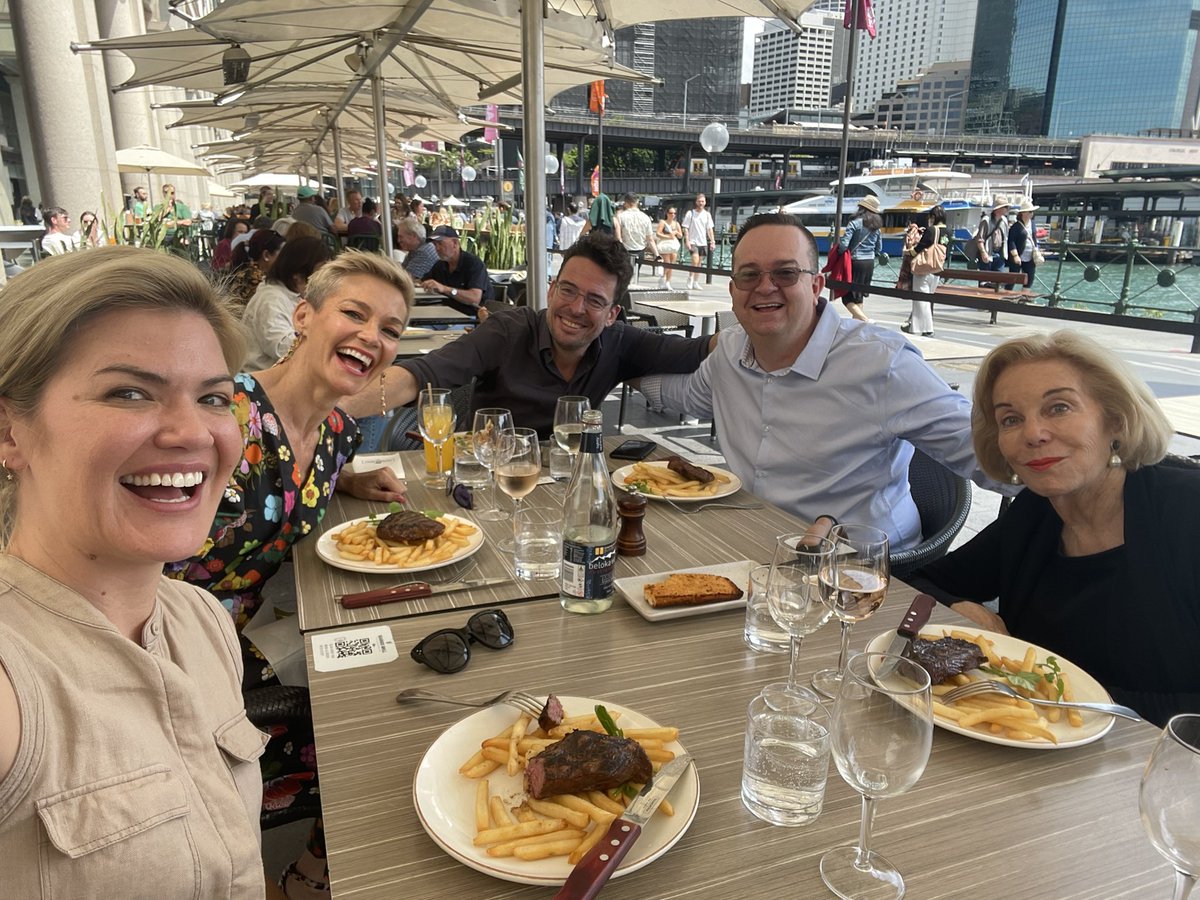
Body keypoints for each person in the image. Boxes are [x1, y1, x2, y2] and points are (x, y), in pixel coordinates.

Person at [0, 246, 268, 896]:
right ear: (9, 432)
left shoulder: (203, 621)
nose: (191, 432)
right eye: (129, 392)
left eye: (212, 398)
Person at [168, 251, 409, 896]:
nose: (372, 337)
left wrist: (350, 480)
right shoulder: (225, 417)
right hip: (166, 644)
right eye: (353, 313)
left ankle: (308, 876)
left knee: (390, 676)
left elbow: (293, 488)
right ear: (303, 316)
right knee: (368, 716)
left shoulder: (336, 433)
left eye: (389, 330)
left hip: (248, 633)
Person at [639, 213, 1005, 552]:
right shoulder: (731, 351)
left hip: (863, 570)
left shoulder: (882, 363)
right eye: (749, 275)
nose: (765, 287)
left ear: (816, 285)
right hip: (754, 545)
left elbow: (987, 452)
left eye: (784, 273)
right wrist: (615, 360)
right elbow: (683, 396)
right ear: (733, 291)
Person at [910, 331, 1197, 726]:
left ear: (1114, 419)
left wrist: (1074, 703)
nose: (1033, 434)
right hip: (1041, 752)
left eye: (1059, 408)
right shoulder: (1039, 511)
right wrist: (959, 607)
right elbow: (922, 582)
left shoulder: (1186, 512)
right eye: (1011, 419)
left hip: (1162, 765)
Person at [346, 231, 716, 438]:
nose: (575, 308)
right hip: (493, 484)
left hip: (571, 490)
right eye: (568, 290)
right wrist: (328, 411)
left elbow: (700, 350)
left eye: (594, 300)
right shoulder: (509, 331)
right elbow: (419, 376)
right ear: (552, 290)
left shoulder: (619, 342)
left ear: (612, 314)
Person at [242, 237, 332, 371]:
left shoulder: (294, 295)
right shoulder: (271, 300)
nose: (323, 281)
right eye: (319, 274)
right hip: (261, 381)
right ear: (297, 275)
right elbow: (282, 348)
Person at [421, 225, 493, 316]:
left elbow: (474, 298)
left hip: (471, 317)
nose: (437, 248)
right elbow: (423, 281)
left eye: (440, 243)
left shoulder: (473, 264)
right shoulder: (440, 265)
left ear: (455, 243)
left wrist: (445, 289)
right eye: (435, 245)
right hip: (445, 314)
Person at [901, 204, 947, 337]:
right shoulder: (948, 231)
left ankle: (925, 329)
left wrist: (908, 251)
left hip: (923, 269)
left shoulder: (932, 230)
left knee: (921, 301)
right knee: (927, 300)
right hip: (937, 270)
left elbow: (919, 249)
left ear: (934, 217)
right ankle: (918, 327)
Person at [837, 196, 882, 323]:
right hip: (869, 262)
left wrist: (839, 253)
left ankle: (864, 320)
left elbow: (844, 244)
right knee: (859, 296)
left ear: (861, 208)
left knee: (847, 297)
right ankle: (857, 325)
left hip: (855, 261)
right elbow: (879, 248)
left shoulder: (854, 223)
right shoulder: (876, 227)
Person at [228, 228, 285, 307]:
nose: (286, 259)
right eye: (283, 254)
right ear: (266, 255)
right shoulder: (257, 281)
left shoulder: (247, 272)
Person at [613, 193, 653, 277]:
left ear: (625, 202)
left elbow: (618, 237)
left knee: (623, 277)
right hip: (640, 250)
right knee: (635, 276)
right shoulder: (645, 217)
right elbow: (650, 239)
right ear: (637, 202)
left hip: (625, 250)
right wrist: (657, 254)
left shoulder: (620, 216)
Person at [682, 193, 715, 291]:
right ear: (696, 202)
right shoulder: (690, 213)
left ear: (705, 203)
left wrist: (712, 241)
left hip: (703, 242)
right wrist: (687, 240)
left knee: (699, 263)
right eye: (699, 201)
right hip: (693, 241)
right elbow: (685, 228)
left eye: (703, 201)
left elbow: (709, 229)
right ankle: (690, 278)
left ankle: (696, 281)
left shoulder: (707, 215)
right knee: (695, 260)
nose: (701, 203)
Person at [1007, 198, 1040, 291]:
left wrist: (1037, 250)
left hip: (1030, 256)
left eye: (1032, 212)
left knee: (1030, 278)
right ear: (1023, 213)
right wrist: (1015, 255)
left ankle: (1024, 297)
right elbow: (1011, 241)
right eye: (1030, 211)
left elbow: (1034, 237)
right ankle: (1006, 296)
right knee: (1013, 278)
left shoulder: (1033, 224)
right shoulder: (1016, 226)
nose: (1032, 213)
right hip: (1018, 255)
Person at [395, 216, 438, 280]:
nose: (398, 240)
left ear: (414, 236)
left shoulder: (423, 252)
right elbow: (402, 271)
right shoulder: (415, 250)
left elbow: (406, 279)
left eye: (401, 237)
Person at [974, 199, 1010, 274]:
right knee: (985, 281)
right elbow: (980, 239)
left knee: (998, 280)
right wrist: (983, 253)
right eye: (1005, 207)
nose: (1007, 209)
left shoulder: (1004, 220)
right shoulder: (986, 220)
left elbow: (1006, 237)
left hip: (1000, 254)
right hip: (988, 253)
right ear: (998, 209)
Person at [654, 206, 684, 289]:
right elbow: (658, 233)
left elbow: (680, 235)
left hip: (673, 245)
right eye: (671, 213)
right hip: (665, 244)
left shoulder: (676, 223)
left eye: (674, 213)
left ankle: (668, 281)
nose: (673, 215)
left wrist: (677, 233)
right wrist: (668, 236)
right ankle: (663, 278)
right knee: (667, 262)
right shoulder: (663, 222)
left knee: (672, 264)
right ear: (667, 213)